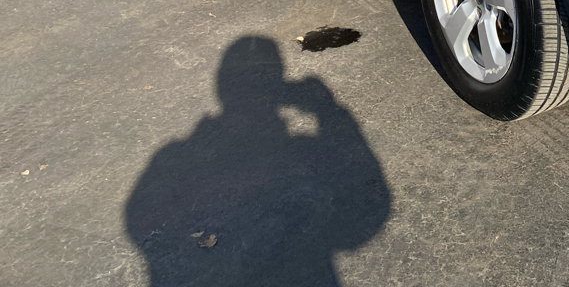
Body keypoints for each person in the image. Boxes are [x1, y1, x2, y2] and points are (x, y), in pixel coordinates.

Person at [125, 36, 390, 286]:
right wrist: (329, 111)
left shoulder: (172, 158)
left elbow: (142, 218)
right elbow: (369, 214)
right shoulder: (300, 151)